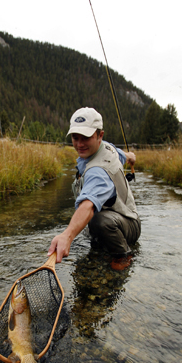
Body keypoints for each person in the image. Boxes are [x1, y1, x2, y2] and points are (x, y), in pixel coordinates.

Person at [48, 107, 141, 267]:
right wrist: (130, 157)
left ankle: (123, 256)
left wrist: (67, 236)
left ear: (100, 135)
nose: (79, 144)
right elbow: (121, 154)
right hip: (116, 219)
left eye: (85, 138)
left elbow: (88, 206)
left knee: (98, 220)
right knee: (94, 223)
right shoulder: (106, 146)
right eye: (75, 138)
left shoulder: (99, 171)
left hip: (128, 224)